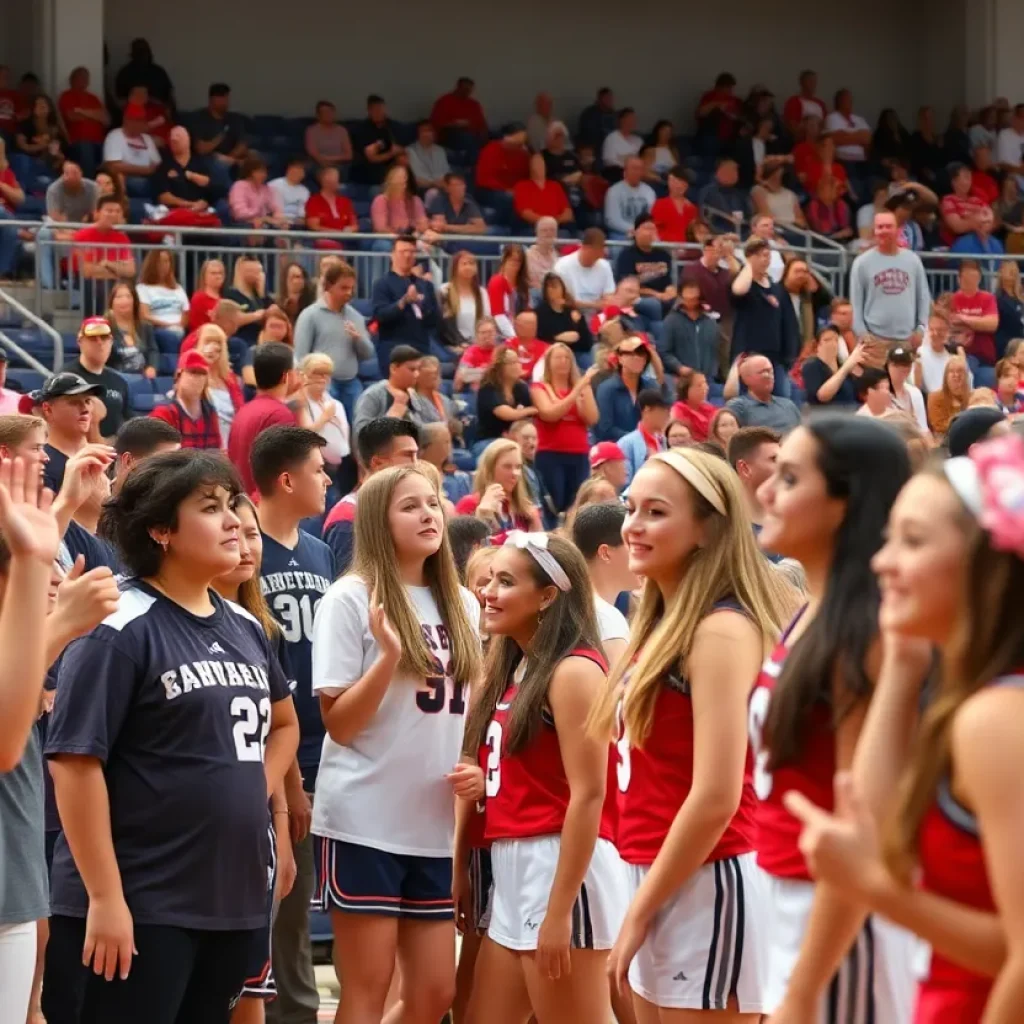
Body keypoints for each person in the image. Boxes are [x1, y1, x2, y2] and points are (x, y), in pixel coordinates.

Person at [42, 450, 299, 1022]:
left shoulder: (247, 627)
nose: (235, 519)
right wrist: (106, 899)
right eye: (211, 508)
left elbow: (284, 723)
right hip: (139, 903)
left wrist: (248, 793)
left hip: (228, 901)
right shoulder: (116, 626)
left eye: (233, 503)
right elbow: (73, 765)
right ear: (161, 530)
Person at [783, 434, 1024, 1022]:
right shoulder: (968, 697)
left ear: (984, 567)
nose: (881, 561)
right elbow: (881, 829)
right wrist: (902, 661)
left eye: (912, 542)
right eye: (889, 537)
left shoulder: (996, 720)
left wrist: (874, 890)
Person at [588, 447, 792, 1018]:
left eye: (656, 512)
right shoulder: (659, 623)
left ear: (707, 530)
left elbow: (716, 796)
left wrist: (639, 911)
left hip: (709, 876)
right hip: (659, 871)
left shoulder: (722, 629)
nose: (633, 525)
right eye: (631, 508)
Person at [748, 415, 915, 1021]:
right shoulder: (810, 612)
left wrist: (799, 993)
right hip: (791, 898)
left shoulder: (864, 632)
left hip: (838, 915)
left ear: (847, 502)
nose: (765, 492)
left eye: (789, 478)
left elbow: (858, 828)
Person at [311, 464, 481, 1024]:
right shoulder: (350, 598)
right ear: (379, 522)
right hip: (364, 819)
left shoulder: (462, 601)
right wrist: (387, 658)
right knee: (367, 988)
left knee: (435, 992)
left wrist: (472, 765)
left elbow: (467, 711)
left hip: (431, 825)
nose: (428, 513)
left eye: (432, 502)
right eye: (410, 505)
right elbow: (339, 723)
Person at [457, 529, 621, 1024]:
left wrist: (559, 910)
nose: (488, 591)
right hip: (513, 868)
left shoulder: (574, 672)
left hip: (560, 867)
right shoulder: (517, 667)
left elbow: (591, 795)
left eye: (506, 582)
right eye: (489, 580)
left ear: (548, 596)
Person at [247, 427, 336, 1024]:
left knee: (296, 900)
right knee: (265, 897)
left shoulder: (320, 550)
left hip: (318, 747)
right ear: (287, 479)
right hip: (261, 750)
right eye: (318, 469)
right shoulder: (241, 545)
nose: (328, 478)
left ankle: (295, 1013)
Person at [321, 417, 419, 572]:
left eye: (416, 455)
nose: (416, 464)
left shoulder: (404, 511)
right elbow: (348, 588)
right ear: (378, 463)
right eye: (408, 455)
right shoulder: (348, 518)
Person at [293, 260, 373, 426]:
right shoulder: (310, 315)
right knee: (328, 430)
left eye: (351, 288)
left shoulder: (356, 316)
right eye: (343, 288)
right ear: (328, 286)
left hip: (351, 382)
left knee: (358, 428)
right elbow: (301, 356)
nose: (349, 293)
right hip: (323, 384)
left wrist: (358, 339)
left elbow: (368, 354)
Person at [849, 212, 931, 366]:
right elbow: (855, 304)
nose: (884, 231)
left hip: (907, 341)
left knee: (904, 389)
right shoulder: (861, 263)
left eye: (888, 226)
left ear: (898, 230)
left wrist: (921, 328)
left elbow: (924, 298)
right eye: (880, 227)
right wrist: (862, 334)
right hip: (875, 342)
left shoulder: (913, 261)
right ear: (874, 230)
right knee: (876, 388)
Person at [529, 343, 599, 514]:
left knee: (576, 504)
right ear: (548, 362)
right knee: (554, 503)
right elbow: (550, 414)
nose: (563, 361)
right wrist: (576, 391)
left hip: (579, 453)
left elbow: (593, 418)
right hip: (550, 453)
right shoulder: (539, 388)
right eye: (558, 357)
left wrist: (582, 394)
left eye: (567, 358)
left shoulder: (583, 387)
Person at [571, 500, 636, 663]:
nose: (641, 554)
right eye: (633, 545)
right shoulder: (608, 620)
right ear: (605, 553)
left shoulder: (570, 605)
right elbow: (618, 688)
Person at [730, 238, 798, 392]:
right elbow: (739, 290)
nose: (764, 259)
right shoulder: (745, 285)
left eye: (767, 255)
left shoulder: (778, 290)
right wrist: (748, 265)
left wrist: (789, 356)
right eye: (759, 255)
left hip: (776, 359)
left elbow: (789, 323)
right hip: (749, 357)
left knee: (782, 401)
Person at [371, 235, 441, 369]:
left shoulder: (425, 285)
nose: (408, 256)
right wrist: (404, 301)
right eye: (403, 252)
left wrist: (422, 305)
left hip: (421, 347)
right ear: (392, 255)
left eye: (412, 252)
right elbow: (379, 315)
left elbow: (434, 320)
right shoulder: (382, 284)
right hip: (394, 349)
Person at [455, 438, 541, 541]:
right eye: (507, 466)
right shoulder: (470, 504)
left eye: (518, 467)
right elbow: (462, 551)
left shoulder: (525, 511)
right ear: (489, 469)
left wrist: (535, 523)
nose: (515, 473)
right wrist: (483, 516)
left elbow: (541, 552)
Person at [31, 372, 104, 491]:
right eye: (74, 402)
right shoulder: (41, 463)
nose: (85, 409)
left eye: (88, 401)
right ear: (48, 409)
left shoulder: (106, 458)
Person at [61, 315, 131, 439]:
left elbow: (127, 420)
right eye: (93, 338)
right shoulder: (66, 379)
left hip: (114, 450)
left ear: (111, 341)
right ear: (80, 342)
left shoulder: (119, 381)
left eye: (104, 337)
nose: (99, 342)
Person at [352, 345, 434, 440]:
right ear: (394, 368)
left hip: (416, 449)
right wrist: (393, 415)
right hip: (383, 452)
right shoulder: (372, 395)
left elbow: (434, 422)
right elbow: (360, 434)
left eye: (418, 370)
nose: (416, 374)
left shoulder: (415, 395)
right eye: (412, 369)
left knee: (439, 432)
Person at [150, 350, 222, 449]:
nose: (197, 378)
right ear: (179, 376)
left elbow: (217, 451)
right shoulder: (164, 412)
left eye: (202, 373)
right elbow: (158, 456)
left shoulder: (210, 412)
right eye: (192, 372)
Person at [473, 344, 536, 454]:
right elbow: (507, 414)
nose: (517, 366)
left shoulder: (521, 387)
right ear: (500, 367)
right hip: (489, 441)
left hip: (514, 439)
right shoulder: (488, 388)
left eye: (518, 361)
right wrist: (533, 410)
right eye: (512, 363)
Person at [726, 425, 781, 544]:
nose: (784, 466)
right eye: (774, 460)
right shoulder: (725, 535)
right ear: (744, 469)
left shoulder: (794, 525)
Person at [950, 259, 999, 384]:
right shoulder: (952, 299)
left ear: (979, 279)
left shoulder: (987, 298)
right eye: (967, 278)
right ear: (959, 279)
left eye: (973, 278)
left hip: (985, 356)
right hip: (960, 354)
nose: (970, 282)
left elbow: (992, 324)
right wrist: (979, 323)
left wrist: (963, 319)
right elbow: (949, 324)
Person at [660, 279, 719, 380]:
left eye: (694, 298)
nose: (691, 302)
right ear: (680, 297)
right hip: (682, 380)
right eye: (687, 298)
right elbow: (664, 351)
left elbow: (715, 350)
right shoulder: (671, 320)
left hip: (708, 379)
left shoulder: (710, 320)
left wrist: (713, 370)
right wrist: (679, 367)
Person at [727, 355, 802, 432]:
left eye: (770, 371)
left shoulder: (788, 405)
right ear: (746, 378)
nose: (768, 376)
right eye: (762, 372)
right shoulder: (739, 407)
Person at [535, 272, 594, 366]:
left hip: (576, 352)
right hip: (554, 353)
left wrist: (578, 325)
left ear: (562, 288)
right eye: (549, 287)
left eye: (555, 286)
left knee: (590, 363)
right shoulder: (540, 312)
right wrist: (558, 338)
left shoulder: (572, 310)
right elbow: (540, 338)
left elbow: (587, 343)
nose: (552, 290)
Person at [801, 324, 866, 408]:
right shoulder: (812, 366)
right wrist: (846, 367)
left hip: (852, 412)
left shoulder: (843, 365)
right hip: (828, 416)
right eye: (827, 340)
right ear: (817, 345)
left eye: (835, 340)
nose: (832, 344)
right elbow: (822, 396)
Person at [553, 228, 616, 313]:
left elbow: (609, 294)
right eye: (595, 253)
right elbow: (562, 300)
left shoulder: (604, 265)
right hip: (570, 314)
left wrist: (607, 302)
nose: (599, 256)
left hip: (597, 316)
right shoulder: (562, 266)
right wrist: (595, 305)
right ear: (585, 248)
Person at [616, 389, 670, 486]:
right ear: (647, 410)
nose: (666, 416)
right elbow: (623, 483)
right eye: (662, 411)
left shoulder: (664, 441)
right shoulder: (626, 443)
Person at [441, 250, 492, 349]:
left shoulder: (482, 292)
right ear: (455, 268)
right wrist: (461, 343)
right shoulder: (445, 291)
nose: (468, 267)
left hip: (478, 343)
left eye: (472, 264)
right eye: (464, 264)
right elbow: (446, 325)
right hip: (454, 344)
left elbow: (487, 319)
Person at [105, 282, 157, 378]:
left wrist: (152, 367)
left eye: (128, 297)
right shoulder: (104, 328)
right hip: (115, 378)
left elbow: (152, 350)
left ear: (134, 301)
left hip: (142, 378)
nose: (124, 300)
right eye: (119, 297)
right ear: (111, 302)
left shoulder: (145, 327)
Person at [136, 248, 189, 341]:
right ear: (152, 264)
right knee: (169, 336)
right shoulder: (143, 288)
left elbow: (186, 312)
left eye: (166, 261)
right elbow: (144, 315)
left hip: (179, 329)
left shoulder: (178, 288)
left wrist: (179, 325)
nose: (163, 265)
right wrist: (168, 325)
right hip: (157, 330)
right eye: (159, 262)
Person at [514, 152, 573, 228]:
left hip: (557, 227)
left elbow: (568, 213)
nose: (539, 166)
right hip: (534, 227)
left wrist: (554, 221)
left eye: (541, 163)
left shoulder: (555, 186)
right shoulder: (522, 186)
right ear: (530, 167)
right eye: (536, 163)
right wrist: (546, 222)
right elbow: (525, 213)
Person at [604, 156, 656, 239]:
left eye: (640, 169)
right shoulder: (614, 191)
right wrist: (633, 230)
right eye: (634, 168)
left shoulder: (649, 191)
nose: (637, 172)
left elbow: (651, 216)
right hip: (621, 234)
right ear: (625, 171)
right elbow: (612, 220)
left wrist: (642, 231)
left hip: (644, 233)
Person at [487, 244, 531, 340]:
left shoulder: (523, 285)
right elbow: (498, 315)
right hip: (500, 334)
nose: (515, 263)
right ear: (504, 260)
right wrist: (514, 338)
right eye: (511, 259)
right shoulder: (497, 281)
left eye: (518, 261)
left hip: (520, 331)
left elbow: (526, 311)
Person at [927, 356, 973, 436]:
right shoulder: (934, 397)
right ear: (946, 377)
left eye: (960, 371)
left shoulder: (973, 397)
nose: (956, 375)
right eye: (952, 371)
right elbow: (939, 426)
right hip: (944, 438)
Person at [887, 346, 929, 432]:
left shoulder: (915, 393)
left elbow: (923, 428)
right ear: (888, 366)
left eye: (906, 365)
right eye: (897, 365)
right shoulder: (880, 392)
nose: (903, 368)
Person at [669, 368, 716, 441]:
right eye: (699, 385)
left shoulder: (710, 408)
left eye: (705, 383)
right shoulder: (677, 410)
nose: (705, 388)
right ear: (686, 389)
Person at [304, 100, 352, 172]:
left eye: (330, 112)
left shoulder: (342, 130)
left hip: (339, 164)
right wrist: (323, 162)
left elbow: (349, 155)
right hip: (317, 164)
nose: (328, 115)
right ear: (318, 115)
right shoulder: (311, 130)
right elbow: (313, 153)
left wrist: (329, 159)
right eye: (325, 112)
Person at [406, 120, 450, 195]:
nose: (427, 134)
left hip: (442, 186)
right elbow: (416, 179)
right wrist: (433, 183)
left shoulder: (440, 150)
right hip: (423, 188)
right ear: (418, 134)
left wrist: (444, 183)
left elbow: (446, 172)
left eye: (429, 131)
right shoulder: (409, 151)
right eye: (424, 131)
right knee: (434, 193)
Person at [188, 259, 226, 331]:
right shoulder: (199, 298)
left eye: (220, 273)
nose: (218, 276)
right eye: (213, 273)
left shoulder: (225, 297)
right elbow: (195, 326)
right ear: (204, 276)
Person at [525, 217, 559, 291]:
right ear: (537, 233)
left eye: (552, 230)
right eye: (544, 230)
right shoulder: (528, 256)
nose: (549, 233)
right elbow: (530, 282)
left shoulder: (556, 256)